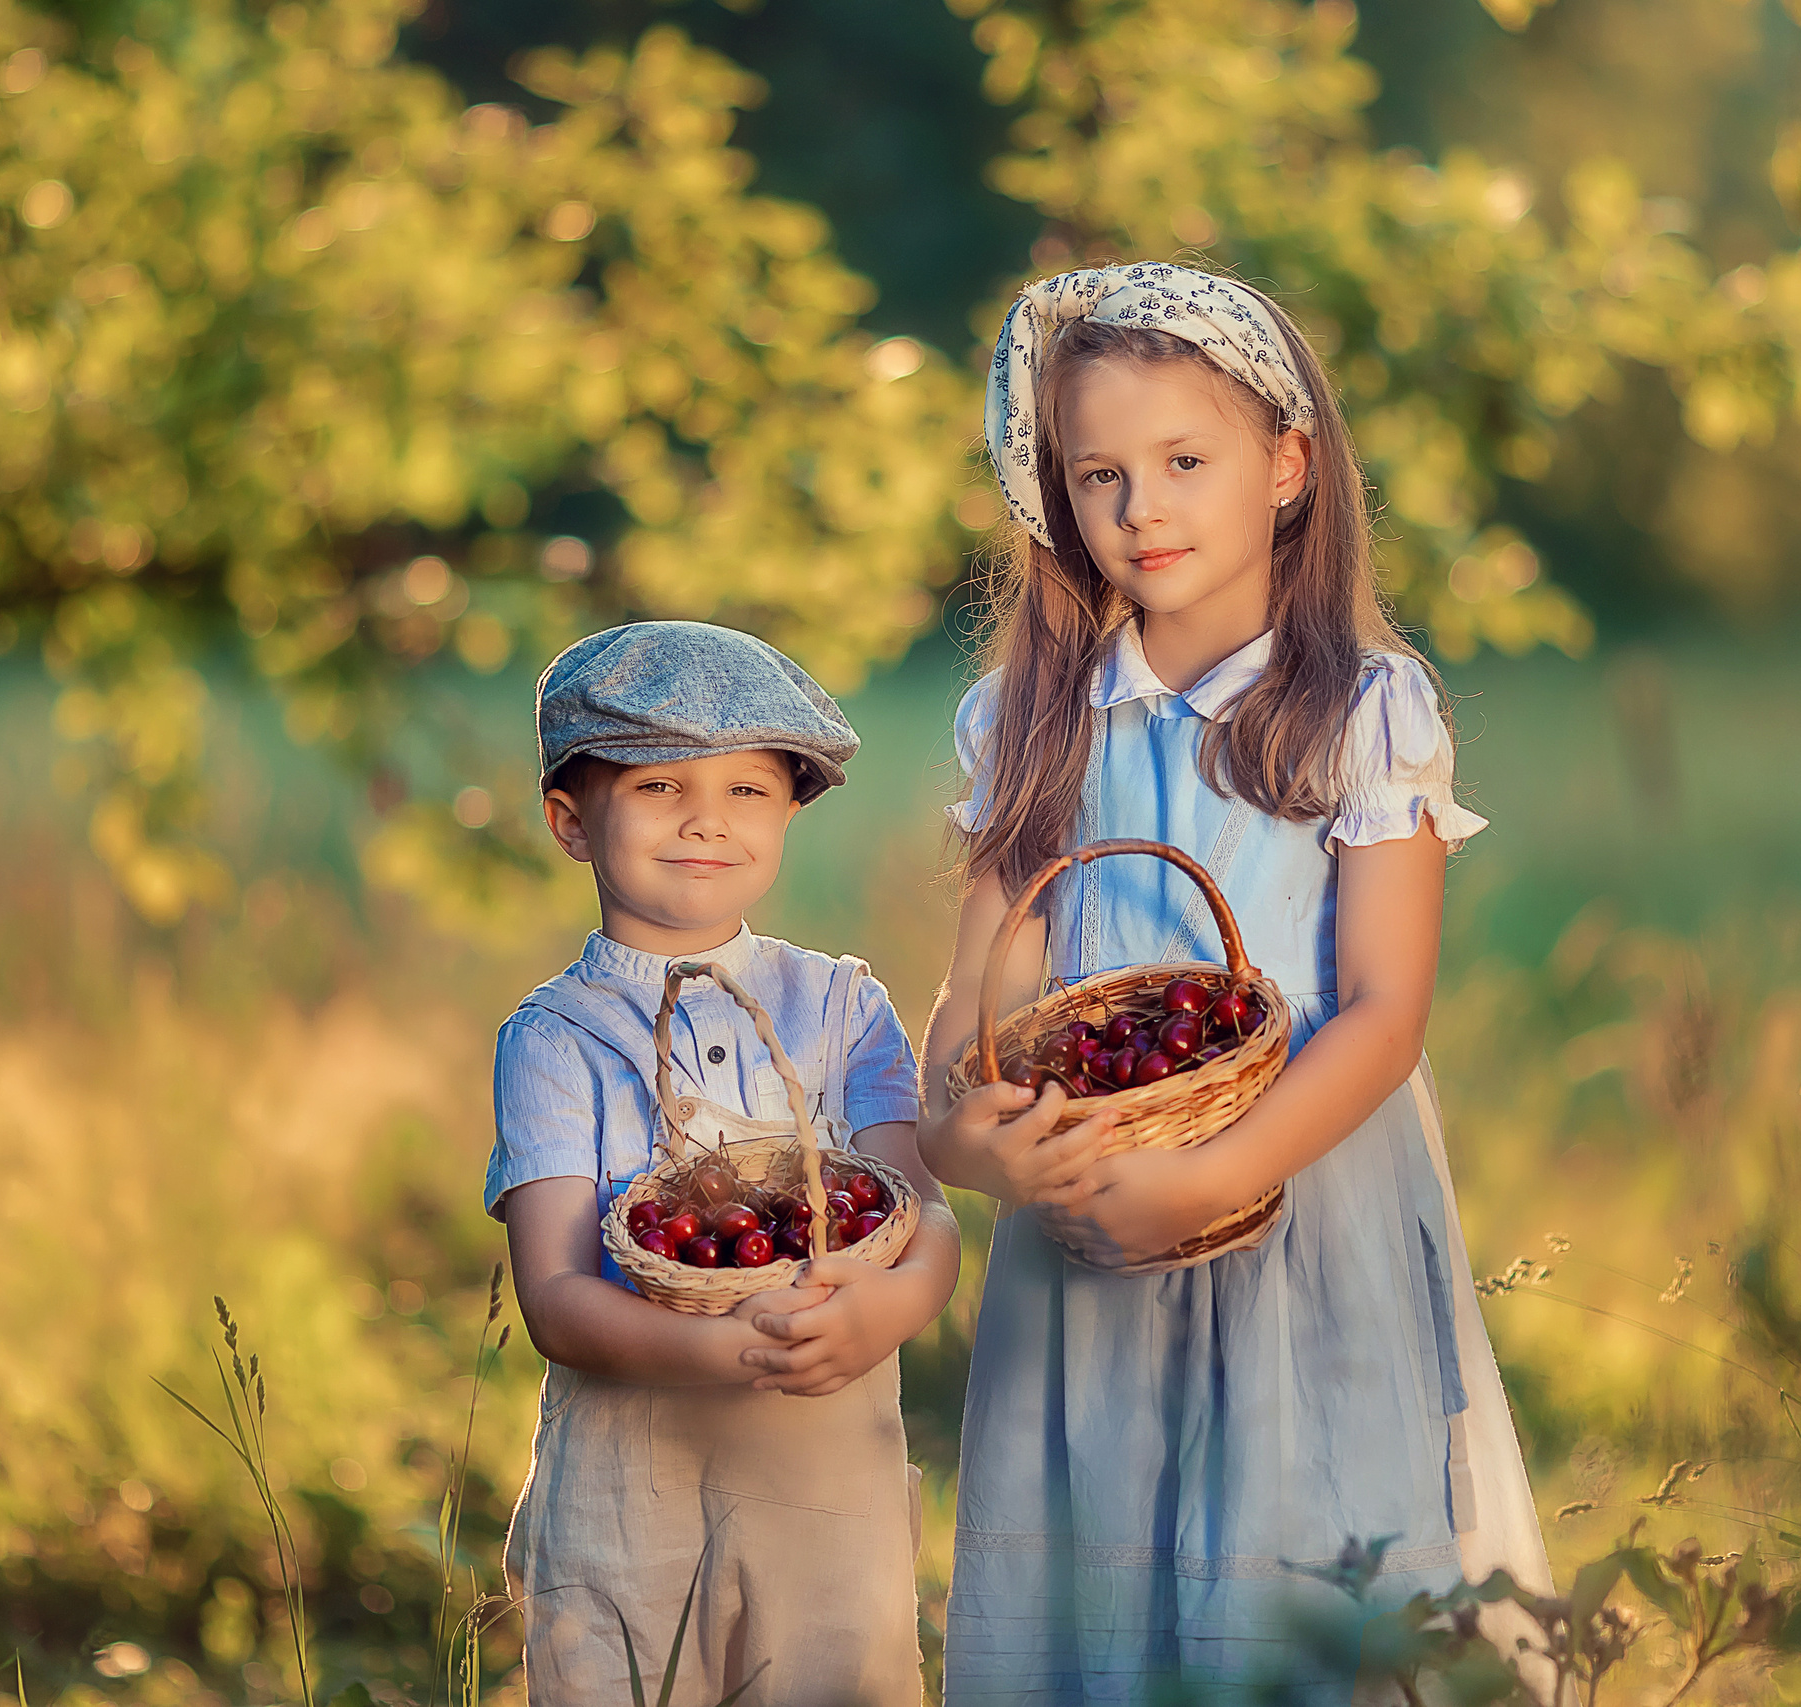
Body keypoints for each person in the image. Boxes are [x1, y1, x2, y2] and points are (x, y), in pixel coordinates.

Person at [915, 263, 1552, 1700]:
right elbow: (976, 1012)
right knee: (1103, 1584)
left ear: (1286, 464)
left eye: (1183, 461)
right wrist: (969, 1139)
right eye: (1099, 474)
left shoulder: (1363, 707)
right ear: (1056, 497)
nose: (1141, 508)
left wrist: (1213, 1176)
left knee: (1294, 1570)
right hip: (1084, 1220)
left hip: (1302, 1206)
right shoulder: (1025, 720)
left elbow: (1385, 1011)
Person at [489, 620, 958, 1707]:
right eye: (658, 786)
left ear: (790, 811)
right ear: (571, 821)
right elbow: (557, 1298)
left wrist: (886, 1313)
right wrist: (738, 1354)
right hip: (629, 1495)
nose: (707, 820)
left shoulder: (839, 1004)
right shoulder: (557, 1036)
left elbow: (921, 1217)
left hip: (823, 1482)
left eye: (749, 790)